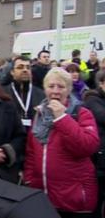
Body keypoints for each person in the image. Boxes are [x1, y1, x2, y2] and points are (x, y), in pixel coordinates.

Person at [24, 68, 99, 218]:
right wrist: (30, 180)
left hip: (74, 200)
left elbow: (87, 147)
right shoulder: (39, 114)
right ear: (44, 89)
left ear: (69, 89)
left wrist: (62, 118)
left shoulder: (82, 113)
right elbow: (31, 152)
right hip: (44, 198)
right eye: (51, 86)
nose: (56, 91)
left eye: (61, 86)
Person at [83, 70, 105, 218]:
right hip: (99, 158)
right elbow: (102, 117)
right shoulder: (92, 99)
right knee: (98, 198)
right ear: (102, 83)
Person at [4, 56, 45, 129]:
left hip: (34, 136)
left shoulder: (41, 94)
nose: (25, 70)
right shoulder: (3, 93)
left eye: (28, 67)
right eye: (20, 67)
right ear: (12, 72)